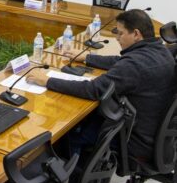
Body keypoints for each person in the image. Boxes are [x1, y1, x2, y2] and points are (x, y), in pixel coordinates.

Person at [26, 9, 176, 162]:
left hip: (134, 142)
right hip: (154, 138)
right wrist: (88, 57)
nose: (117, 38)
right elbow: (121, 62)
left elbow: (94, 89)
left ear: (136, 34)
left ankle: (72, 170)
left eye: (121, 33)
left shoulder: (134, 64)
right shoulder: (161, 51)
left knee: (72, 128)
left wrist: (47, 81)